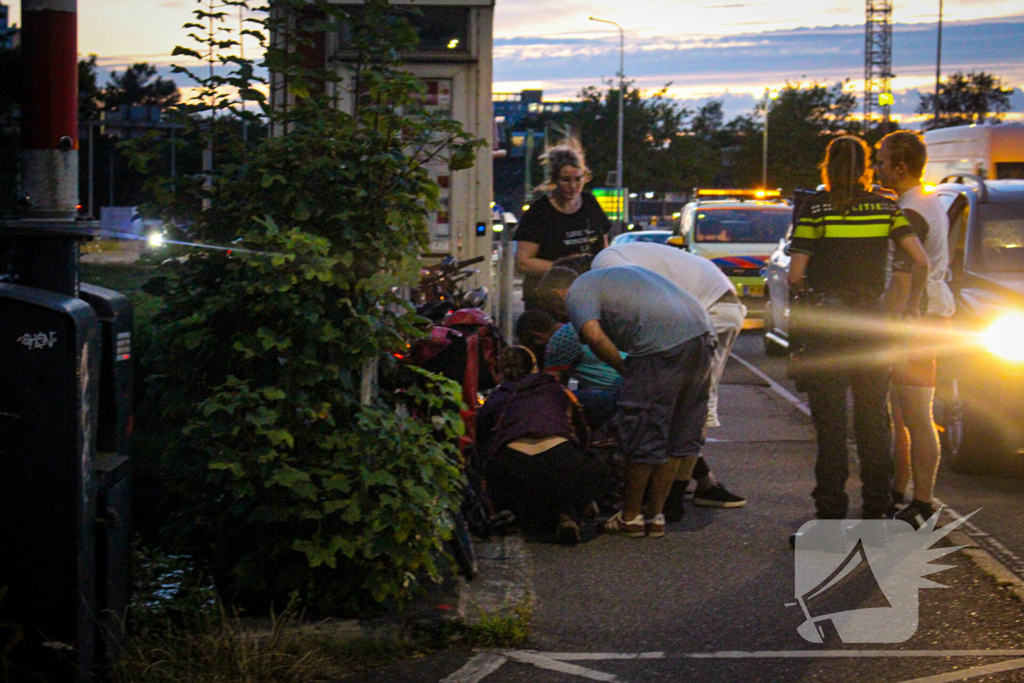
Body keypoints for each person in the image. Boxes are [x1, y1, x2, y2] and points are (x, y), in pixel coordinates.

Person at [788, 136, 929, 526]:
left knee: (831, 426)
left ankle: (830, 513)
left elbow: (795, 274)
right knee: (873, 423)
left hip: (827, 330)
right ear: (866, 167)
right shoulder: (886, 208)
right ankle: (876, 510)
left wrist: (810, 295)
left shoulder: (816, 209)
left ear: (827, 167)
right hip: (871, 326)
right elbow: (920, 260)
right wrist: (911, 305)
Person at [538, 265, 715, 539]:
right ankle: (655, 516)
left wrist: (626, 371)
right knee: (676, 431)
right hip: (702, 335)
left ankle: (630, 517)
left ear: (557, 294)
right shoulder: (613, 279)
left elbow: (594, 336)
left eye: (557, 311)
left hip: (661, 345)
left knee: (642, 429)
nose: (564, 318)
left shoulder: (578, 290)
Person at [592, 242, 747, 511]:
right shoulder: (617, 258)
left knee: (684, 406)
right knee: (691, 404)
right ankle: (687, 490)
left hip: (709, 310)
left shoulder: (604, 266)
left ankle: (671, 499)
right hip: (717, 304)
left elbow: (642, 297)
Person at [874, 131, 955, 529]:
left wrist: (885, 325)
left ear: (901, 166)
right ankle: (901, 493)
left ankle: (922, 501)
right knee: (905, 413)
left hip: (916, 322)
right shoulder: (927, 200)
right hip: (930, 315)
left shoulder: (910, 213)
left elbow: (903, 280)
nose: (876, 169)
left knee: (916, 414)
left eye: (882, 162)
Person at [477, 346, 604, 546]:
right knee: (591, 464)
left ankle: (512, 513)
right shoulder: (557, 389)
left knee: (506, 477)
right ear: (534, 366)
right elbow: (582, 430)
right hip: (563, 459)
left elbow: (481, 433)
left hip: (512, 466)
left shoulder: (498, 395)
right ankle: (568, 516)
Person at [514, 141, 610, 310]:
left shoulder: (590, 203)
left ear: (585, 177)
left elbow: (604, 248)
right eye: (566, 180)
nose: (573, 186)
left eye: (578, 179)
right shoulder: (539, 212)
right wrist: (567, 269)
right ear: (554, 179)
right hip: (547, 298)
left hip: (586, 294)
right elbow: (523, 262)